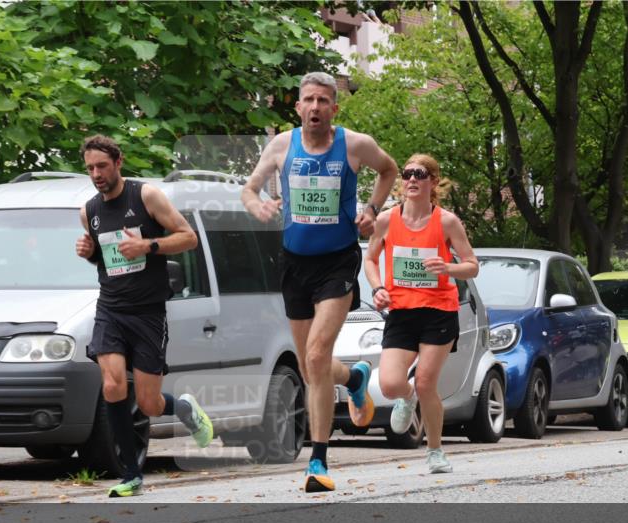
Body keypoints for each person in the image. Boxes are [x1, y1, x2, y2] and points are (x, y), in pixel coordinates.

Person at [241, 72, 398, 493]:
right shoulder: (280, 146)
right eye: (308, 100)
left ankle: (318, 460)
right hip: (294, 264)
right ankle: (354, 378)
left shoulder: (354, 144)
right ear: (298, 107)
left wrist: (370, 208)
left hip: (338, 262)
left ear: (334, 107)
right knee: (312, 365)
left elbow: (389, 169)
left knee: (314, 354)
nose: (315, 107)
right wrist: (257, 205)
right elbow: (249, 190)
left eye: (323, 100)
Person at [76, 135, 214, 497]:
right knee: (112, 385)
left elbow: (189, 238)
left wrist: (148, 246)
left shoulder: (146, 197)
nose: (96, 174)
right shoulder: (88, 211)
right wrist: (89, 252)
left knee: (150, 403)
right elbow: (104, 258)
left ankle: (182, 406)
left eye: (102, 166)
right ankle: (130, 474)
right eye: (90, 168)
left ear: (118, 163)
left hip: (148, 312)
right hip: (110, 308)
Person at [364, 154, 479, 473]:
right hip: (401, 312)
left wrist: (449, 267)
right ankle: (406, 396)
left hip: (438, 312)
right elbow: (370, 260)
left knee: (427, 382)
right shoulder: (387, 220)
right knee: (389, 384)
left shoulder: (446, 222)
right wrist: (376, 289)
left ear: (433, 181)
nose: (411, 179)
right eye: (407, 174)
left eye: (419, 174)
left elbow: (473, 266)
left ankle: (435, 451)